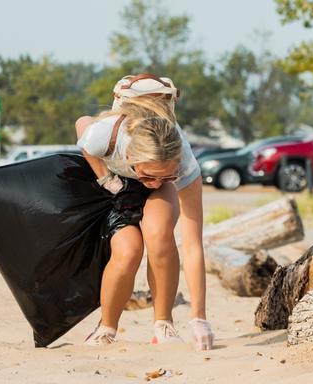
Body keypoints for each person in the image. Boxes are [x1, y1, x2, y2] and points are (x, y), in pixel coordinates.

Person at [73, 75, 213, 350]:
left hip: (155, 184)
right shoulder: (107, 133)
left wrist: (199, 317)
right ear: (132, 158)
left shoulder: (182, 162)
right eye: (150, 176)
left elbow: (193, 245)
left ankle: (163, 325)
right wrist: (105, 179)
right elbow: (82, 129)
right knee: (128, 250)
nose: (156, 183)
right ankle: (106, 327)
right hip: (118, 185)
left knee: (159, 233)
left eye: (166, 176)